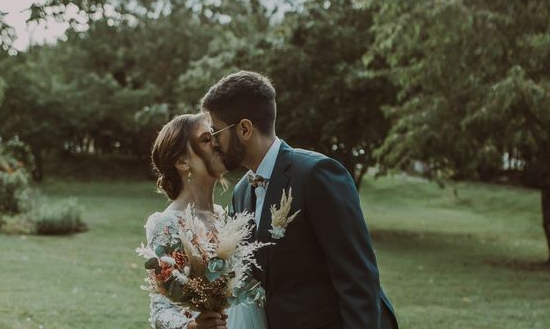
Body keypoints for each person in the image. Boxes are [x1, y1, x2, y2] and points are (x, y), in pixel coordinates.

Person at [201, 71, 399, 329]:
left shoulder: (317, 175)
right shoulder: (241, 193)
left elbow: (357, 277)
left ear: (245, 129)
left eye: (216, 132)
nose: (213, 143)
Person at [144, 113, 267, 329]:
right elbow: (160, 310)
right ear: (182, 162)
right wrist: (192, 326)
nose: (218, 144)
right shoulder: (169, 223)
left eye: (215, 136)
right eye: (206, 139)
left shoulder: (227, 215)